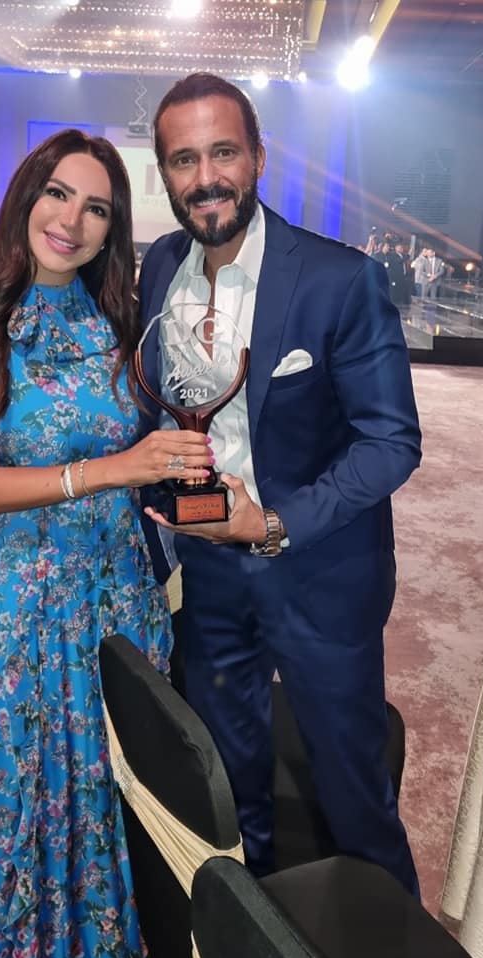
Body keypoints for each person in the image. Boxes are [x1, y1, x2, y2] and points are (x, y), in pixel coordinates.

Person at [0, 129, 210, 958]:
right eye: (58, 194)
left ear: (112, 229)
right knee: (14, 801)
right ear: (25, 198)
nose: (71, 220)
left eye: (96, 207)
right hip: (16, 608)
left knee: (103, 797)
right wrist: (115, 469)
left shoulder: (120, 322)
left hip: (114, 598)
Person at [138, 73, 422, 895]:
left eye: (223, 152)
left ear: (259, 157)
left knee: (352, 790)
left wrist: (272, 523)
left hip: (318, 571)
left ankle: (387, 933)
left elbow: (391, 443)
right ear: (165, 174)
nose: (206, 178)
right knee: (226, 785)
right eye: (184, 160)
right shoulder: (161, 266)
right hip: (208, 575)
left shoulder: (339, 279)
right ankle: (251, 924)